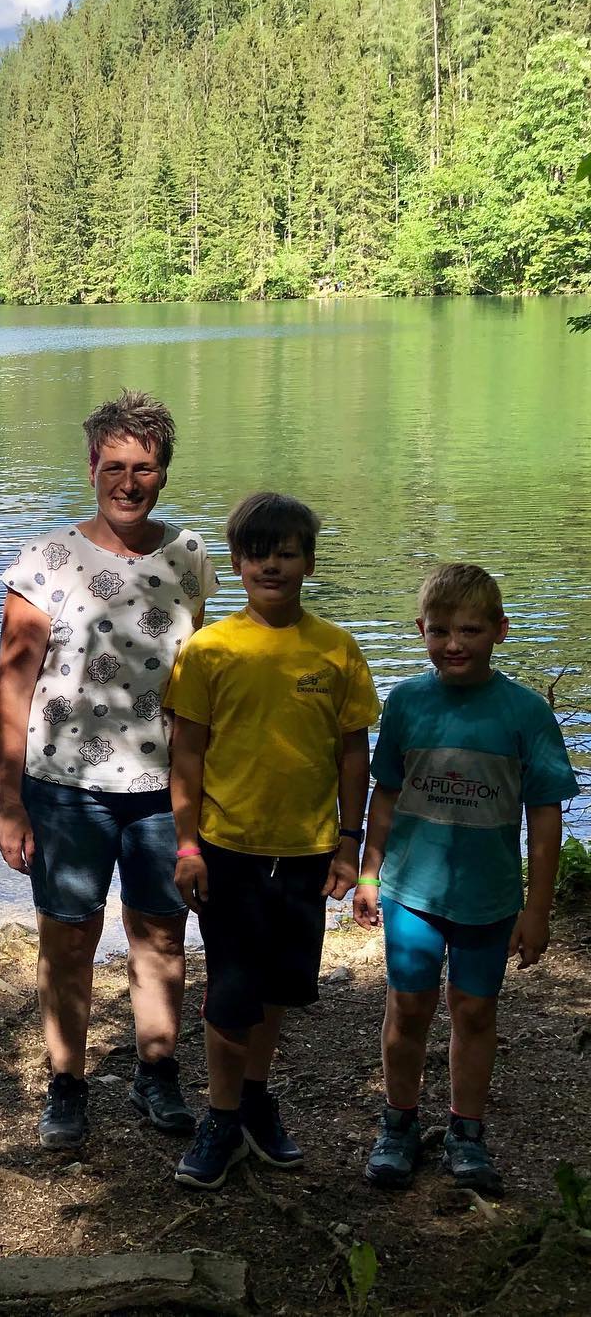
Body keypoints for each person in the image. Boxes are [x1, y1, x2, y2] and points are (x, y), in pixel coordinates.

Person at [0, 389, 219, 1151]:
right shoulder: (46, 560)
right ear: (91, 466)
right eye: (115, 465)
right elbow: (14, 683)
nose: (129, 481)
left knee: (160, 936)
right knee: (68, 939)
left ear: (164, 471)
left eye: (145, 467)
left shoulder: (187, 557)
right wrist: (9, 801)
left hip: (163, 792)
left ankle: (157, 1073)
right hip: (63, 791)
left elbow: (202, 679)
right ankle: (66, 1085)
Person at [164, 492, 378, 1189]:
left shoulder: (336, 649)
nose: (272, 565)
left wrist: (350, 842)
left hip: (309, 851)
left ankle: (256, 1102)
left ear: (309, 562)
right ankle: (220, 1117)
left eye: (286, 552)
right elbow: (187, 757)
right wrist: (189, 846)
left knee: (280, 987)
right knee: (230, 994)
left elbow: (354, 755)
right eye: (258, 553)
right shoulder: (211, 649)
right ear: (237, 562)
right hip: (228, 850)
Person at [355, 563, 578, 1196]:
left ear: (500, 632)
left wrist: (538, 909)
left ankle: (466, 1132)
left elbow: (544, 817)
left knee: (475, 1011)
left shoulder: (524, 712)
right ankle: (398, 1123)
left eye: (472, 630)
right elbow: (386, 794)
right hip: (411, 892)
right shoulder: (406, 702)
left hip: (488, 897)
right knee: (408, 1007)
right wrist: (370, 874)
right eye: (442, 631)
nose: (455, 644)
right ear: (421, 630)